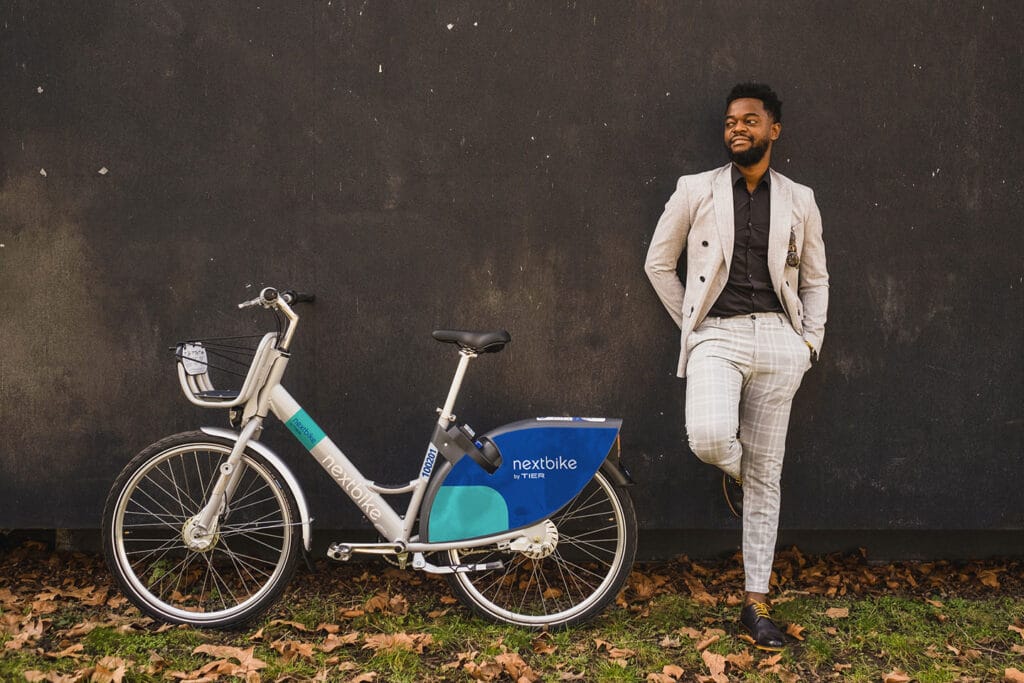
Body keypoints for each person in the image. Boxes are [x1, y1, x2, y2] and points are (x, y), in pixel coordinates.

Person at [644, 83, 828, 651]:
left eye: (750, 120)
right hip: (717, 337)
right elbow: (657, 263)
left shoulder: (800, 198)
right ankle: (743, 476)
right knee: (708, 438)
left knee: (767, 478)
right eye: (730, 122)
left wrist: (809, 344)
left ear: (775, 129)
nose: (738, 129)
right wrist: (694, 329)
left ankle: (755, 603)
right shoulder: (695, 190)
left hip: (780, 340)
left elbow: (816, 277)